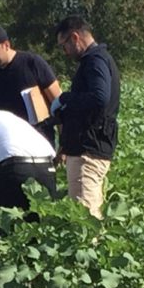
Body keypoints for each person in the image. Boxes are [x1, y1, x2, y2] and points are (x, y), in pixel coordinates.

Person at [50, 16, 120, 220]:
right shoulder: (99, 59)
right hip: (91, 144)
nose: (65, 52)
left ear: (75, 37)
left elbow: (99, 97)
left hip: (88, 149)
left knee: (85, 219)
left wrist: (66, 98)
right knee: (90, 212)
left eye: (64, 46)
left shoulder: (95, 61)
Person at [0, 25, 62, 145]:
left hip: (40, 142)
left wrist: (65, 142)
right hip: (5, 144)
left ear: (6, 45)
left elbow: (59, 104)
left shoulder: (32, 63)